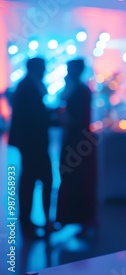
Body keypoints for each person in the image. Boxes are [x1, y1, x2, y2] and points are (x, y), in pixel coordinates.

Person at [8, 57, 53, 239]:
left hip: (29, 144)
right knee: (40, 180)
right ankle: (35, 223)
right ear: (38, 68)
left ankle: (28, 222)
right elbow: (34, 117)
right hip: (33, 144)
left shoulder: (27, 84)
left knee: (29, 180)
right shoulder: (30, 87)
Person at [56, 58, 97, 236]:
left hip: (76, 139)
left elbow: (75, 118)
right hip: (78, 139)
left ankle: (76, 218)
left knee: (76, 177)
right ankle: (76, 219)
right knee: (75, 177)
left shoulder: (79, 90)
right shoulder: (80, 89)